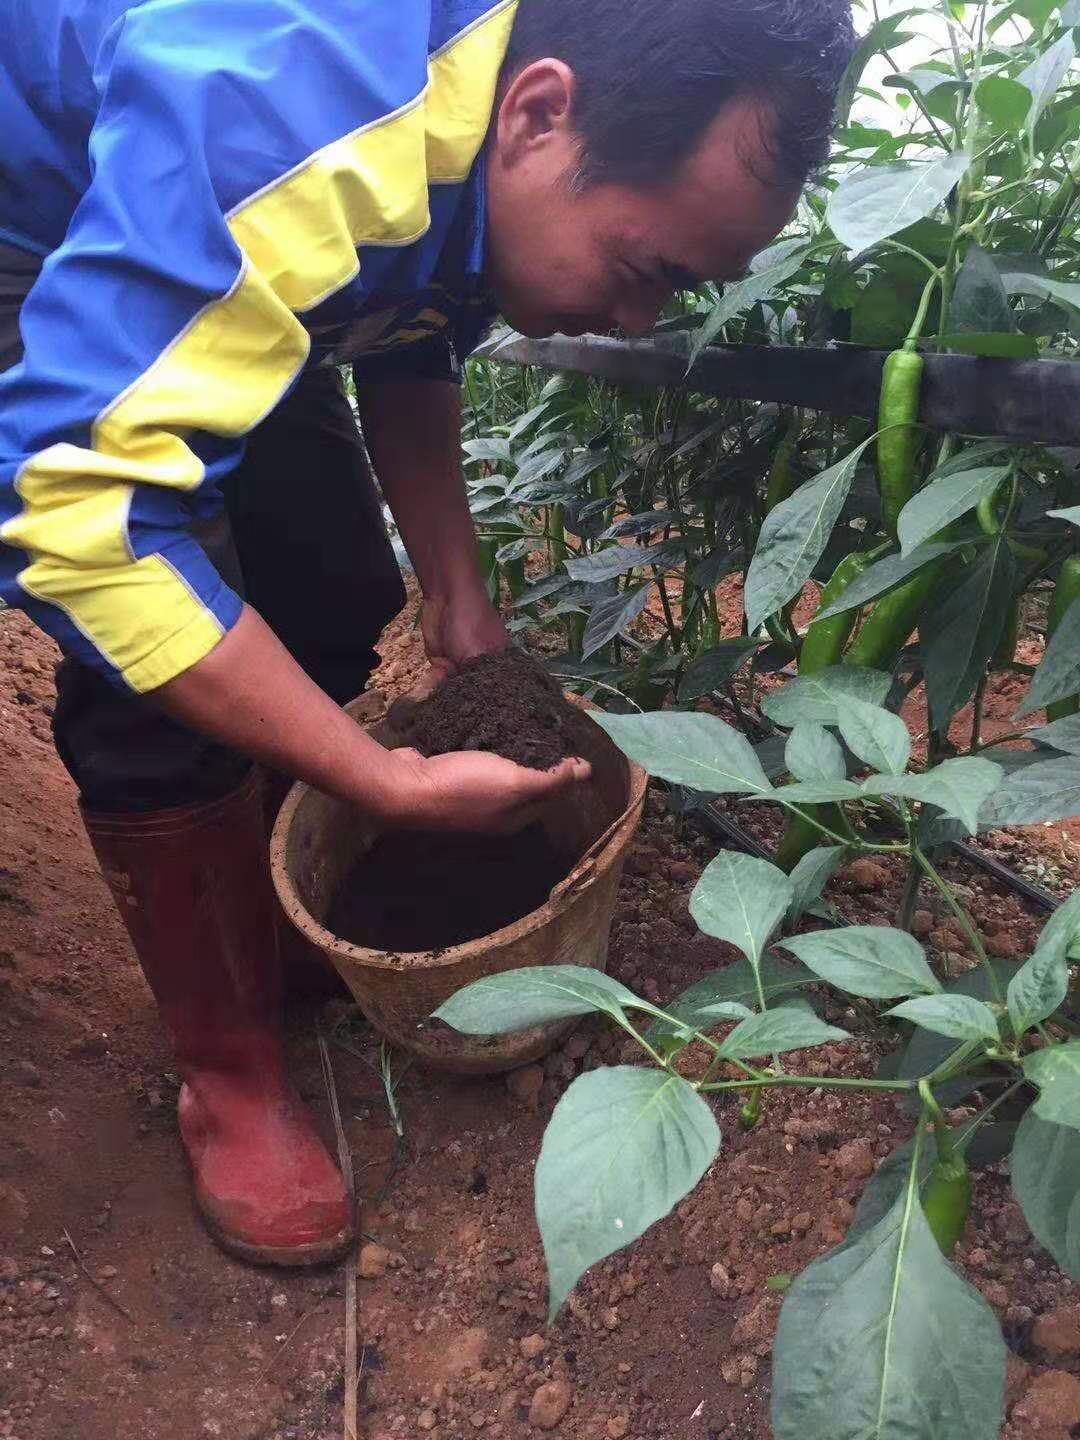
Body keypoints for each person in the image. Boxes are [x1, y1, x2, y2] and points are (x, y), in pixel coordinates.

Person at [0, 0, 855, 1266]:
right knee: (149, 651)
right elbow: (80, 518)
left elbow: (411, 328)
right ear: (540, 112)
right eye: (649, 276)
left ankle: (264, 905)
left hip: (218, 242)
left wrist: (456, 595)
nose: (636, 328)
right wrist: (378, 777)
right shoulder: (291, 111)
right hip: (49, 221)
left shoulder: (481, 108)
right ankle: (227, 1076)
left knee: (342, 588)